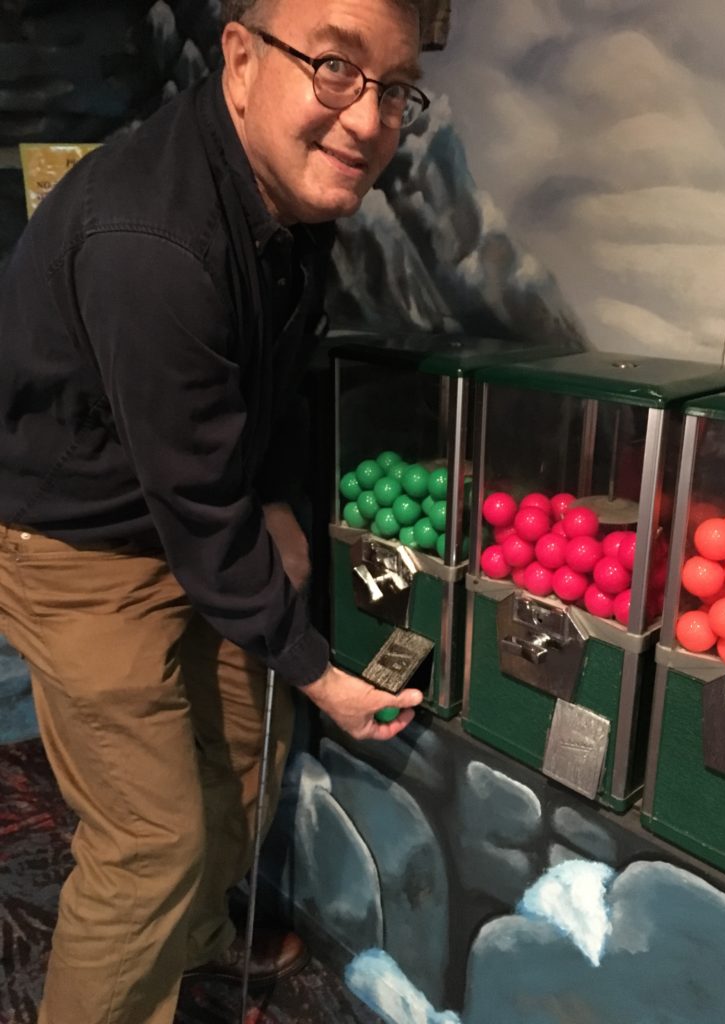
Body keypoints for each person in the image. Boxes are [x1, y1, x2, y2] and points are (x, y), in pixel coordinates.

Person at [0, 0, 430, 1021]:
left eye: (395, 90)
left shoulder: (293, 203)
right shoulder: (151, 241)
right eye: (333, 65)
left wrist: (279, 502)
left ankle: (194, 940)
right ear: (240, 59)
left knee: (245, 745)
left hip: (191, 510)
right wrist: (322, 673)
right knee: (150, 840)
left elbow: (269, 379)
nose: (367, 118)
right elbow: (195, 503)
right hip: (73, 543)